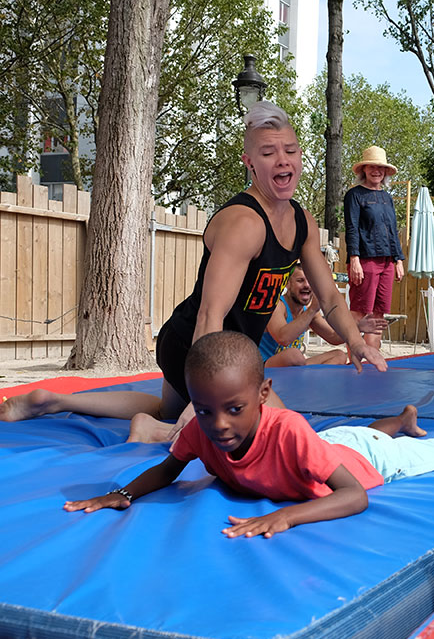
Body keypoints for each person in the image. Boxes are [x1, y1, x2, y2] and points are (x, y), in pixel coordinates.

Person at [0, 101, 383, 441]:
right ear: (250, 163)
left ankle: (52, 401)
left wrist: (353, 339)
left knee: (169, 407)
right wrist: (206, 391)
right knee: (281, 430)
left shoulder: (303, 221)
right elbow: (210, 314)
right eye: (269, 153)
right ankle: (160, 434)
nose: (283, 160)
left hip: (226, 347)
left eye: (291, 150)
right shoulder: (244, 223)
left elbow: (330, 296)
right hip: (198, 343)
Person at [62, 331, 434, 538]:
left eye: (234, 409)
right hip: (334, 446)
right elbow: (168, 469)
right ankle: (398, 421)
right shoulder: (205, 431)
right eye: (204, 411)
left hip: (367, 463)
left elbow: (354, 497)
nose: (219, 424)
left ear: (264, 394)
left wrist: (290, 516)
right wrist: (121, 493)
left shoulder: (287, 431)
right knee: (352, 438)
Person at [259, 263, 386, 367]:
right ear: (288, 284)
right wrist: (312, 309)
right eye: (300, 281)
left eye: (310, 282)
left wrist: (357, 327)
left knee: (339, 355)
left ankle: (306, 384)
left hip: (295, 368)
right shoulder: (277, 306)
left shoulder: (308, 313)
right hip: (266, 366)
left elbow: (333, 337)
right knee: (294, 355)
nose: (307, 285)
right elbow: (283, 338)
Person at [345, 146, 405, 353]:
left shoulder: (387, 198)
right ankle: (354, 359)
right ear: (364, 169)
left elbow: (392, 230)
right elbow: (352, 227)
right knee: (360, 312)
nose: (376, 171)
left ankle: (373, 359)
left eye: (380, 167)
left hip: (388, 261)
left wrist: (398, 260)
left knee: (379, 314)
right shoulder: (354, 195)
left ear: (386, 171)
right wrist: (354, 259)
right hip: (365, 260)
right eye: (372, 166)